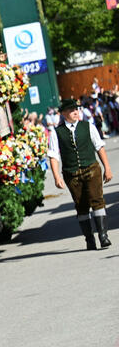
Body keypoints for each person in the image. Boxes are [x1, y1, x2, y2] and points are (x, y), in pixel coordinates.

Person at [48, 98, 112, 250]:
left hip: (91, 169)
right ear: (63, 114)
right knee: (81, 206)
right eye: (71, 110)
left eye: (76, 109)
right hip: (72, 174)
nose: (75, 112)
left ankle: (103, 236)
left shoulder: (88, 126)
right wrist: (57, 177)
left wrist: (107, 168)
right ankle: (89, 239)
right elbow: (53, 156)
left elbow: (99, 147)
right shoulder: (56, 133)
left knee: (97, 201)